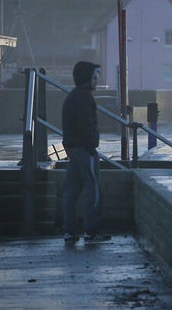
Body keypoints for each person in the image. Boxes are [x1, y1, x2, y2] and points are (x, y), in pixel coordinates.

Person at [61, 61, 110, 244]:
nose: (97, 80)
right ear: (87, 78)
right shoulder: (84, 98)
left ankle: (69, 232)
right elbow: (85, 126)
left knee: (71, 191)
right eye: (95, 77)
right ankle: (91, 231)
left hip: (73, 149)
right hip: (84, 150)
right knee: (93, 190)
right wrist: (91, 147)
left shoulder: (73, 97)